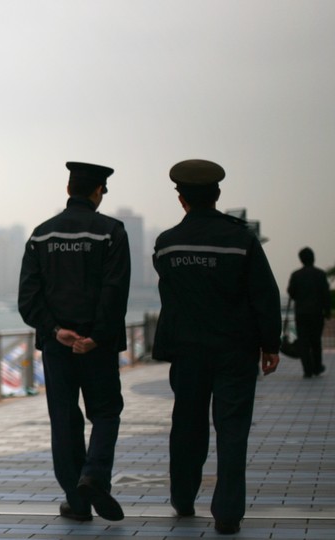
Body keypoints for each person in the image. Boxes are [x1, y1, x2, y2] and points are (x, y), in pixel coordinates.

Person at [152, 159, 281, 535]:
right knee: (232, 428)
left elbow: (170, 296)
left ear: (181, 199)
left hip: (188, 351)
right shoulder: (241, 240)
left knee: (187, 425)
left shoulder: (166, 244)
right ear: (218, 194)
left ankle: (183, 496)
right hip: (235, 351)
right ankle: (227, 513)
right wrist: (269, 345)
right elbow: (264, 294)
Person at [18, 161, 130, 522]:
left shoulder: (41, 235)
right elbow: (115, 291)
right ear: (98, 191)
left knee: (64, 419)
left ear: (69, 189)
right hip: (98, 347)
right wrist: (95, 337)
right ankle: (94, 475)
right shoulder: (111, 232)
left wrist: (55, 330)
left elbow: (28, 298)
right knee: (107, 412)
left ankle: (77, 501)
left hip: (58, 346)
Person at [287, 247, 332, 378]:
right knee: (316, 342)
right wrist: (327, 311)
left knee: (304, 342)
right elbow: (326, 295)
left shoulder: (296, 275)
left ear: (301, 259)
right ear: (313, 258)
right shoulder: (320, 274)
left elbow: (291, 292)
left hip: (301, 313)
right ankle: (317, 367)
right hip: (317, 313)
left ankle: (307, 370)